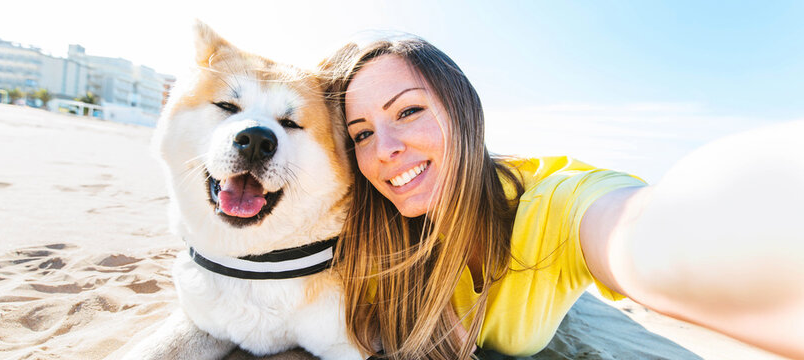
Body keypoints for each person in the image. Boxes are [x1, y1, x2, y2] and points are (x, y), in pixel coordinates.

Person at [322, 36, 804, 360]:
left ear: (465, 112)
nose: (384, 150)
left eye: (408, 110)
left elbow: (639, 228)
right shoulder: (367, 231)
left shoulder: (552, 203)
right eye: (362, 134)